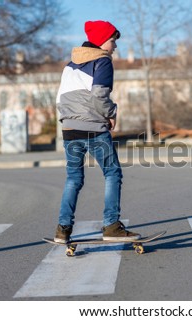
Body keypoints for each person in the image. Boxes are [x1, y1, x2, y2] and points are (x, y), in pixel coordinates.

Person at [54, 20, 140, 243]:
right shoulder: (102, 61)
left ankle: (63, 229)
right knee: (112, 174)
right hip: (93, 128)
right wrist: (112, 113)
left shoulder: (69, 66)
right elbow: (99, 97)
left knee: (73, 179)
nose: (115, 46)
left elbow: (60, 99)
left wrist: (69, 121)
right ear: (102, 41)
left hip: (70, 129)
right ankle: (111, 226)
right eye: (113, 41)